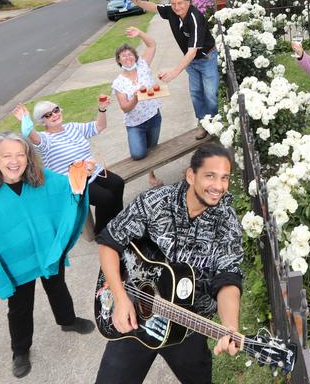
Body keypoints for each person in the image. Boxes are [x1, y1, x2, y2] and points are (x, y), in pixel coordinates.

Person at [94, 143, 243, 383]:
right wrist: (121, 298)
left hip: (187, 326)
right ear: (190, 175)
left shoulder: (227, 223)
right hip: (134, 312)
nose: (219, 186)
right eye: (210, 176)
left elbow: (228, 278)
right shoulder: (155, 202)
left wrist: (230, 327)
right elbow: (109, 241)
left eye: (225, 178)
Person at [0, 132, 95, 378]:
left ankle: (67, 320)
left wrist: (83, 174)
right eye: (6, 155)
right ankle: (20, 350)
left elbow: (70, 186)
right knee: (19, 306)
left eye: (20, 154)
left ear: (28, 158)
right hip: (15, 264)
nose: (14, 161)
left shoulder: (43, 178)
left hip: (48, 252)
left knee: (57, 287)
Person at [13, 98, 125, 235]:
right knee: (106, 198)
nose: (54, 115)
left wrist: (102, 109)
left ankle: (120, 222)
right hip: (72, 183)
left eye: (56, 110)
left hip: (93, 172)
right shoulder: (45, 140)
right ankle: (102, 232)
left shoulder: (73, 127)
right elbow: (31, 135)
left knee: (118, 183)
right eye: (48, 115)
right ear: (42, 122)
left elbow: (99, 127)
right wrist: (25, 120)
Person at [132, 0, 217, 140]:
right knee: (196, 94)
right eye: (173, 3)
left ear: (188, 1)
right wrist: (138, 2)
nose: (176, 7)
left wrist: (174, 72)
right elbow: (155, 7)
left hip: (206, 59)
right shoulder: (171, 11)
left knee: (210, 94)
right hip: (191, 62)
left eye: (180, 3)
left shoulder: (195, 18)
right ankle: (204, 124)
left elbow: (192, 51)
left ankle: (216, 125)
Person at [112, 26, 163, 187]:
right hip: (135, 124)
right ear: (119, 61)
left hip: (154, 116)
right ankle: (146, 165)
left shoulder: (142, 66)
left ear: (135, 57)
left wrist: (140, 33)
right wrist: (135, 97)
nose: (127, 57)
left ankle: (151, 175)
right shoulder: (118, 83)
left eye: (130, 54)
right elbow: (125, 108)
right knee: (138, 153)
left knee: (152, 148)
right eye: (123, 56)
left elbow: (152, 45)